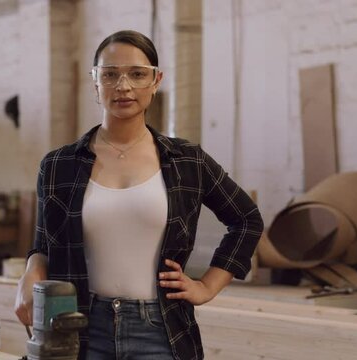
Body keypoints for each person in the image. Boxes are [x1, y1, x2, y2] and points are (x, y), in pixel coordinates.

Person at [14, 29, 263, 360]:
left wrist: (207, 286)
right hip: (79, 328)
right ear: (95, 82)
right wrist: (31, 270)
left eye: (137, 74)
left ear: (156, 81)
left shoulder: (187, 160)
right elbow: (46, 245)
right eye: (110, 74)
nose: (123, 86)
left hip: (160, 330)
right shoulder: (59, 165)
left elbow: (246, 219)